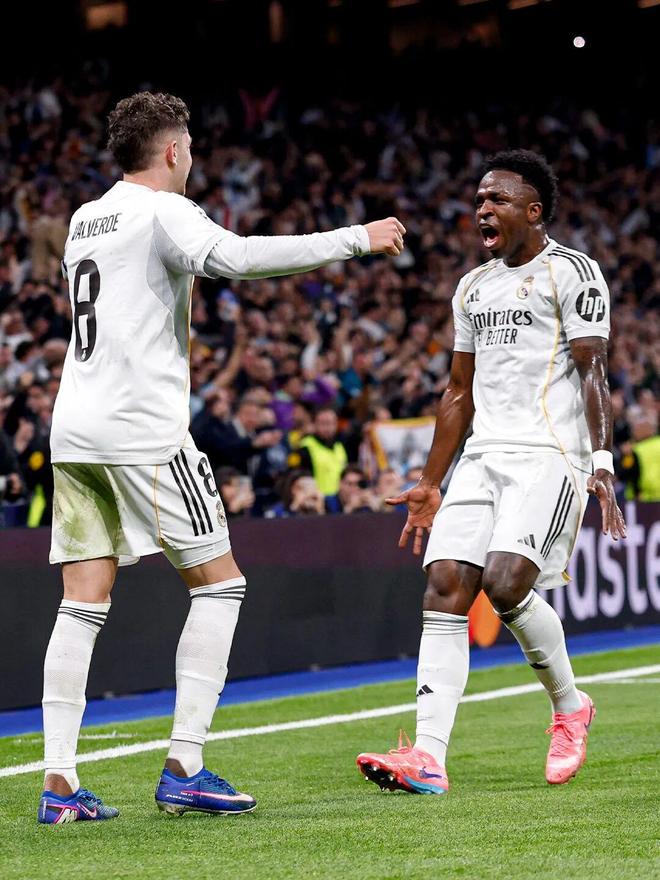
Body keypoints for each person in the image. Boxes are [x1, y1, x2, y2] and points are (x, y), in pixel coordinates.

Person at [39, 91, 406, 824]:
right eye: (191, 147)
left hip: (75, 431)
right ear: (174, 150)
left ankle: (59, 784)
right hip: (143, 433)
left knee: (81, 601)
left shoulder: (85, 218)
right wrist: (354, 238)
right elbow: (235, 258)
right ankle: (185, 765)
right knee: (220, 586)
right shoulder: (164, 210)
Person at [356, 150, 626, 796]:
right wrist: (430, 481)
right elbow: (458, 390)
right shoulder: (472, 287)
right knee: (445, 584)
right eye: (479, 198)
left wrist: (602, 463)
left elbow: (592, 370)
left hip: (549, 454)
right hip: (482, 457)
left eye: (497, 199)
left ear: (533, 211)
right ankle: (428, 757)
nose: (482, 208)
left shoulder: (573, 272)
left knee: (505, 584)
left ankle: (570, 706)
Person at [298, 407, 348, 496]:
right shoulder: (306, 446)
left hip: (339, 498)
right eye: (323, 423)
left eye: (332, 423)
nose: (328, 427)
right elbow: (301, 479)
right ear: (314, 424)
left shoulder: (339, 446)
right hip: (318, 498)